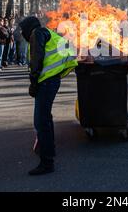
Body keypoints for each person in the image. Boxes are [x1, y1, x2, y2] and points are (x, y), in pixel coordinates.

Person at [19, 16, 78, 176]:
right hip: (52, 80)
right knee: (45, 119)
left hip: (46, 82)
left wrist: (34, 83)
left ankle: (47, 162)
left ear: (28, 28)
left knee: (41, 121)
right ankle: (48, 151)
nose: (21, 33)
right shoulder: (47, 33)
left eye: (22, 30)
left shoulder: (36, 34)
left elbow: (37, 61)